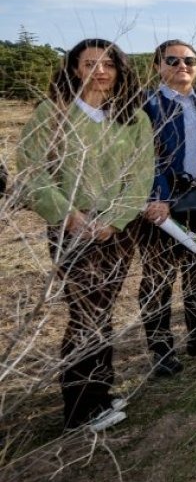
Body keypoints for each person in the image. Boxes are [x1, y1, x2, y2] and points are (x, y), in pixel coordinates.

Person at [15, 39, 153, 431]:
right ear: (75, 68)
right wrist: (67, 214)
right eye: (90, 63)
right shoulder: (54, 112)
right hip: (73, 229)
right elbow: (32, 169)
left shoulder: (133, 117)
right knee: (85, 314)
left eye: (108, 64)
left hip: (117, 231)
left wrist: (117, 220)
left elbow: (141, 175)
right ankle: (79, 408)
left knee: (103, 310)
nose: (100, 71)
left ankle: (100, 392)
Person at [137, 40, 196, 379]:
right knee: (159, 278)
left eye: (189, 60)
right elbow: (142, 156)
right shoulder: (148, 105)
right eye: (172, 60)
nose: (182, 66)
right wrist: (155, 196)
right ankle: (161, 350)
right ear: (157, 65)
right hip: (164, 205)